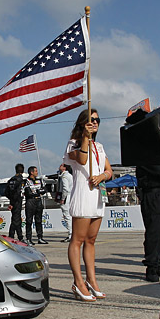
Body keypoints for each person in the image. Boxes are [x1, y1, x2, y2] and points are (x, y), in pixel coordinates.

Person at [63, 108, 114, 300]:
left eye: (97, 120)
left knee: (91, 240)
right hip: (83, 194)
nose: (95, 123)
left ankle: (92, 280)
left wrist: (102, 175)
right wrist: (85, 137)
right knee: (78, 239)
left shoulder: (99, 146)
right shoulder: (73, 144)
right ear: (82, 123)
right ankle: (78, 282)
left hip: (98, 196)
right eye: (91, 120)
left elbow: (109, 170)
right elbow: (82, 159)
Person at [137, 164, 160, 282]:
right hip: (152, 194)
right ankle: (151, 267)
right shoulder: (147, 158)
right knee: (154, 232)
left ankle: (158, 263)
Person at [23, 166, 47, 244]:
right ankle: (28, 238)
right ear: (31, 172)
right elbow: (28, 193)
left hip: (38, 201)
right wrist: (38, 192)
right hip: (30, 202)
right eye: (36, 171)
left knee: (39, 220)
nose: (37, 172)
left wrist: (37, 192)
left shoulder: (39, 180)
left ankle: (40, 238)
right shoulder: (26, 181)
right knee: (29, 221)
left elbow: (44, 190)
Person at [7, 163, 26, 241]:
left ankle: (19, 235)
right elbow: (18, 192)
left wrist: (11, 201)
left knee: (16, 218)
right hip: (17, 201)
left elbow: (7, 192)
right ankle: (12, 235)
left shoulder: (11, 180)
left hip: (13, 201)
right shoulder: (20, 180)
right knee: (16, 219)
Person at [57, 163, 73, 242]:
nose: (59, 166)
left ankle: (71, 234)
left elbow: (65, 188)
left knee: (67, 216)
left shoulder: (64, 176)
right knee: (69, 216)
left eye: (61, 165)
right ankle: (72, 233)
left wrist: (63, 198)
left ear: (64, 168)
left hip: (66, 197)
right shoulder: (69, 175)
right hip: (70, 196)